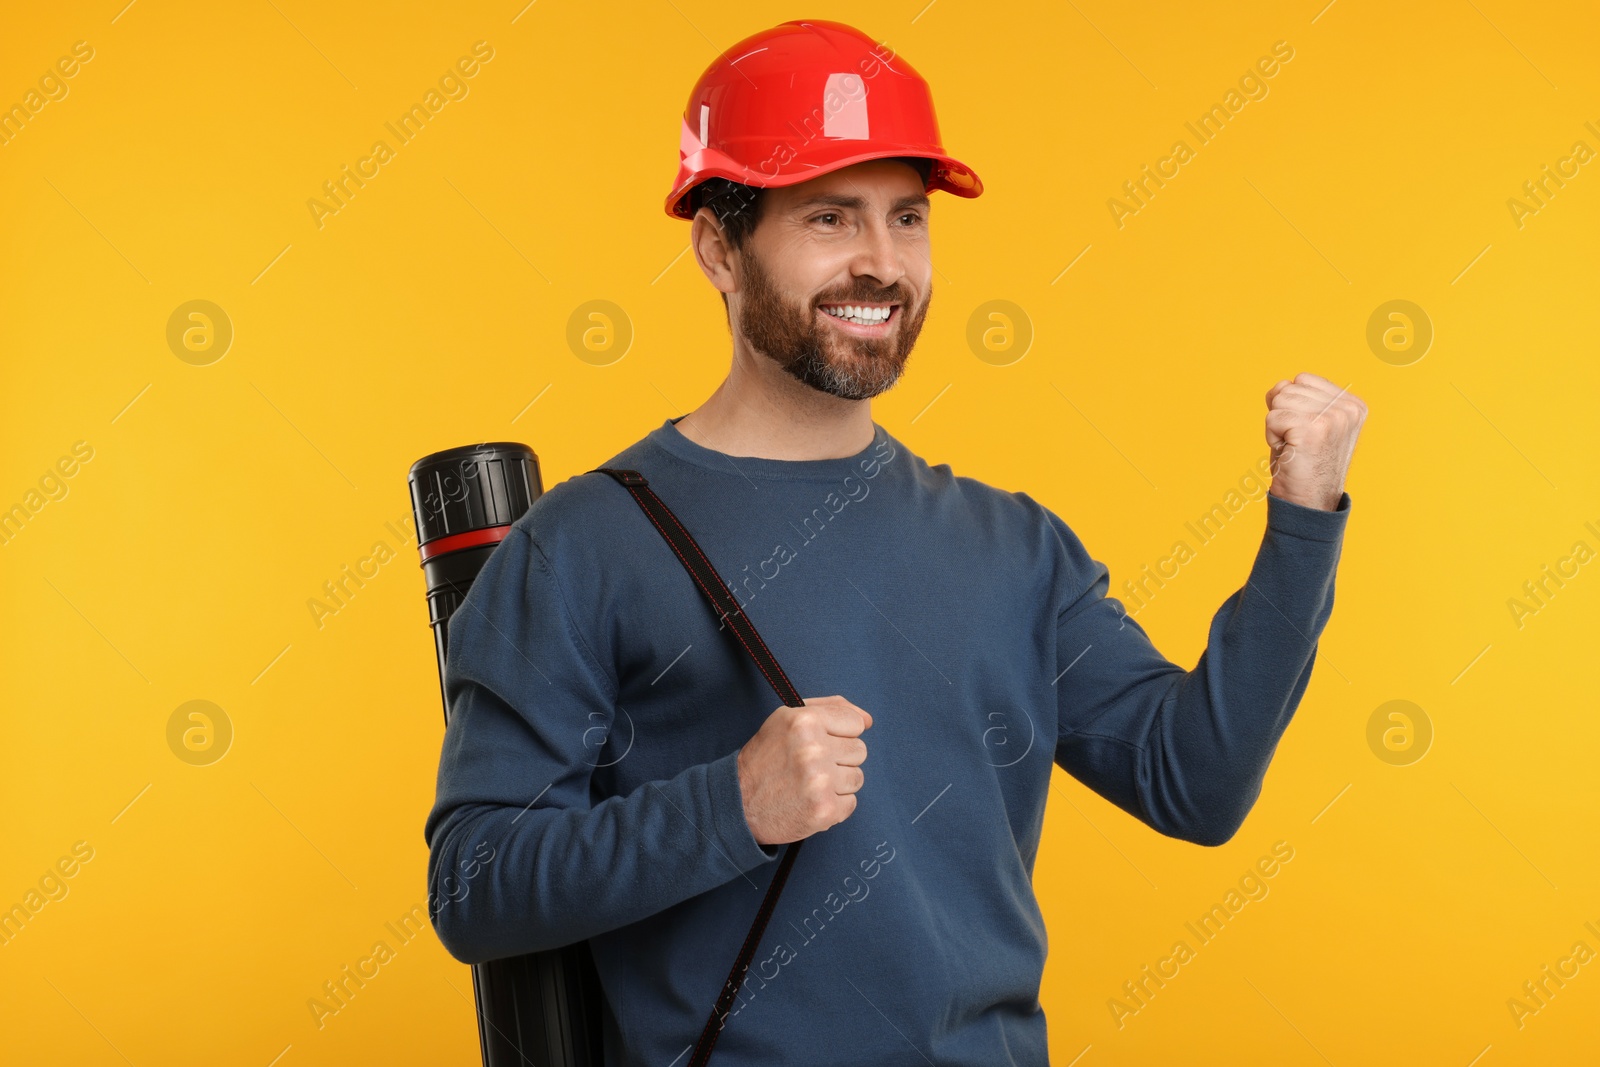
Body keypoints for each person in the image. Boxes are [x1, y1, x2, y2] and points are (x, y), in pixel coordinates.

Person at [423, 19, 1365, 1066]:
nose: (881, 263)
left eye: (906, 219)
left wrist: (1302, 517)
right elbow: (476, 882)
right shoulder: (586, 543)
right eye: (830, 218)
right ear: (718, 248)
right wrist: (726, 805)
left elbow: (1195, 781)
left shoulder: (1012, 546)